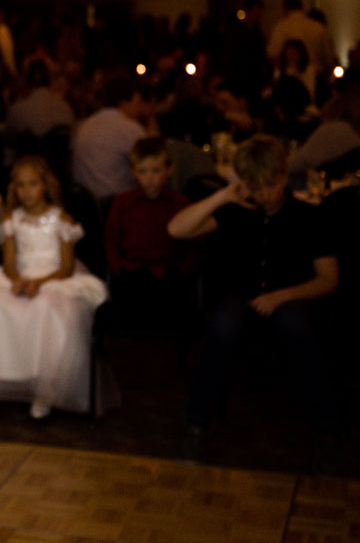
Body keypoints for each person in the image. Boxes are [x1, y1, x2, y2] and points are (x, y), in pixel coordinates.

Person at [167, 134, 342, 456]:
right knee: (223, 322)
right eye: (256, 187)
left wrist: (283, 295)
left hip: (293, 300)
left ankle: (326, 427)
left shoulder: (309, 216)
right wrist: (223, 196)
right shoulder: (237, 212)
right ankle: (197, 423)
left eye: (270, 186)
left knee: (295, 323)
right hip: (242, 299)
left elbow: (328, 280)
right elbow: (177, 229)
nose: (264, 195)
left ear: (283, 176)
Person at [0, 156, 109, 418]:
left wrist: (39, 283)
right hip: (19, 275)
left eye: (32, 184)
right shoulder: (11, 220)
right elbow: (8, 263)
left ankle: (44, 390)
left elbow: (66, 267)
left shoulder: (61, 219)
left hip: (54, 278)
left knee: (48, 308)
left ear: (45, 185)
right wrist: (18, 280)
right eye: (20, 185)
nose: (26, 191)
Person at [103, 137, 193, 332]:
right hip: (132, 273)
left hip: (169, 273)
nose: (149, 178)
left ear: (169, 169)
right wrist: (118, 268)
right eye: (142, 172)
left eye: (156, 171)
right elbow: (111, 241)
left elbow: (194, 244)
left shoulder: (180, 204)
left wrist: (183, 270)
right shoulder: (123, 203)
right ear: (133, 172)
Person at [71, 73, 150, 204]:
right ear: (123, 103)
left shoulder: (86, 123)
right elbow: (151, 162)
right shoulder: (129, 128)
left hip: (84, 202)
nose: (139, 108)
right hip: (116, 203)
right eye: (137, 103)